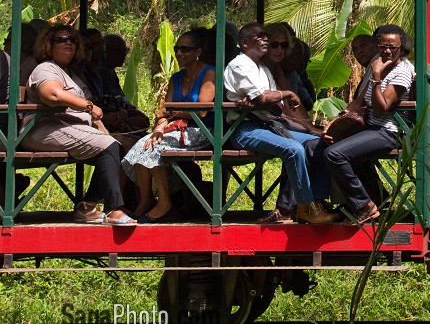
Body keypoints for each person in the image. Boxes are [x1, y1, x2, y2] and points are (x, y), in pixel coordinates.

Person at [23, 25, 135, 226]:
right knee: (110, 147)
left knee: (124, 145)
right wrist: (88, 106)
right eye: (61, 39)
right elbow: (52, 94)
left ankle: (88, 206)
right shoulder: (46, 68)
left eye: (72, 40)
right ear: (49, 46)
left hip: (71, 128)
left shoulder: (72, 73)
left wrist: (104, 130)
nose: (68, 42)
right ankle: (113, 210)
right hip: (44, 128)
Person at [224, 24, 333, 224]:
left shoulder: (263, 68)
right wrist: (281, 94)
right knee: (293, 149)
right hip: (246, 129)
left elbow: (273, 105)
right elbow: (266, 98)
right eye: (261, 37)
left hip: (268, 126)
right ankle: (305, 206)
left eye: (268, 37)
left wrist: (266, 100)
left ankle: (316, 201)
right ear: (245, 43)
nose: (266, 40)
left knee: (318, 142)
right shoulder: (240, 64)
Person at [314, 24, 415, 227]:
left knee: (335, 154)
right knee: (315, 145)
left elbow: (381, 108)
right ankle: (319, 204)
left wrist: (377, 77)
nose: (387, 51)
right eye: (383, 46)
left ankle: (363, 205)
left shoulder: (402, 71)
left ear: (401, 48)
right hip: (369, 128)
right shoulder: (376, 63)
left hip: (388, 131)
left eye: (392, 48)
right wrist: (336, 121)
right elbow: (359, 100)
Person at [121, 28, 215, 222]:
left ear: (198, 52)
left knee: (157, 147)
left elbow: (201, 110)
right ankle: (146, 199)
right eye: (177, 49)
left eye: (185, 49)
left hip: (202, 129)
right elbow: (165, 111)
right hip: (175, 128)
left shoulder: (210, 73)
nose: (179, 53)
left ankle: (165, 202)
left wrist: (169, 114)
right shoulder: (176, 78)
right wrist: (159, 127)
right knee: (143, 144)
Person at [260, 23, 327, 223]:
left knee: (319, 141)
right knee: (298, 146)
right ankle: (288, 207)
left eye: (283, 45)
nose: (280, 50)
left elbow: (293, 103)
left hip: (277, 123)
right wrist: (309, 128)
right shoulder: (254, 66)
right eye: (274, 45)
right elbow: (285, 107)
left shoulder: (278, 68)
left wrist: (312, 128)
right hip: (261, 125)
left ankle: (315, 201)